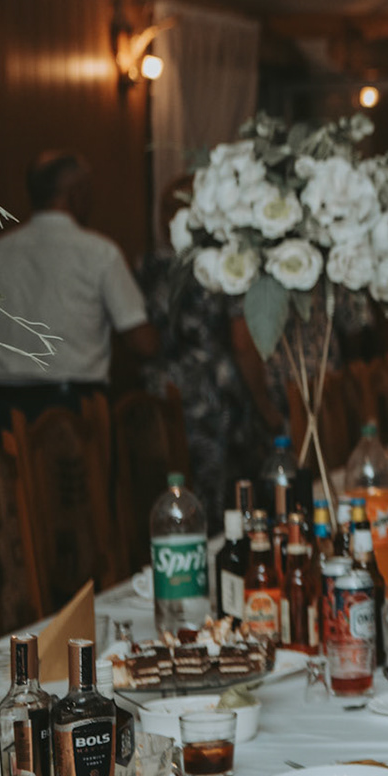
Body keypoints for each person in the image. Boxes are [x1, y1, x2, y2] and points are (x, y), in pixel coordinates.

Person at [137, 178, 281, 521]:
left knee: (170, 495)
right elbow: (242, 343)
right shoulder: (224, 266)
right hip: (212, 397)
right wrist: (265, 406)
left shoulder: (147, 265)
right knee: (223, 500)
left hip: (159, 396)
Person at [0, 152, 158, 432]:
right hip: (72, 412)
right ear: (76, 193)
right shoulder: (99, 252)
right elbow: (143, 342)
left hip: (1, 410)